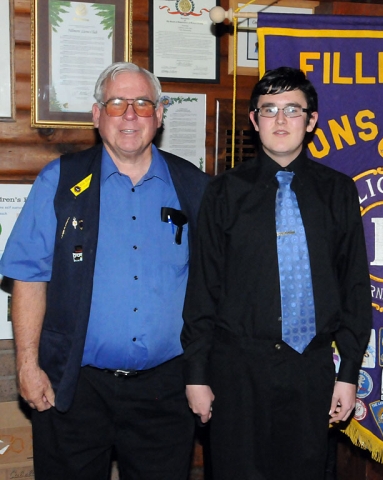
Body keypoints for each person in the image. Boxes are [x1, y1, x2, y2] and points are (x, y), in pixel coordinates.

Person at [0, 62, 210, 479]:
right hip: (75, 385)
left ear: (160, 114)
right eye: (116, 103)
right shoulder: (60, 181)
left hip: (166, 392)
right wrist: (27, 365)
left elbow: (212, 287)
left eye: (141, 103)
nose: (129, 115)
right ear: (97, 115)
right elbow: (28, 275)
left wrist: (203, 375)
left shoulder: (194, 186)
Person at [181, 66, 372, 480]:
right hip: (237, 369)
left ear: (312, 120)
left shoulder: (338, 191)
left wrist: (349, 374)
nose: (281, 120)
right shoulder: (223, 192)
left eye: (292, 109)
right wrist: (197, 375)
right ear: (254, 121)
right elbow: (202, 291)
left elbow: (354, 286)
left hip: (311, 370)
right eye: (269, 110)